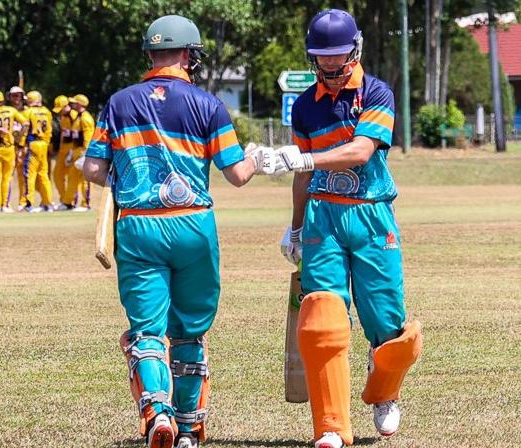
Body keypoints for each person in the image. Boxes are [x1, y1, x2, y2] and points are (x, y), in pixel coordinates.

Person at [83, 15, 273, 448]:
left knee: (148, 331)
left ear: (151, 55)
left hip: (139, 227)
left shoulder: (118, 103)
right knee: (188, 331)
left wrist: (125, 172)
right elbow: (238, 174)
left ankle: (156, 413)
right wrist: (259, 158)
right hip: (192, 225)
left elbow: (93, 169)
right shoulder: (208, 105)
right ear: (190, 55)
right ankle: (188, 427)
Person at [273, 10, 422, 448]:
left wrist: (306, 160)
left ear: (355, 50)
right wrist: (296, 228)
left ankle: (385, 392)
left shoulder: (377, 92)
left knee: (386, 316)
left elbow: (359, 151)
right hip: (324, 218)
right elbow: (302, 177)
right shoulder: (303, 106)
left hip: (372, 213)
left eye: (340, 56)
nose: (333, 67)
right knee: (322, 313)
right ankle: (332, 426)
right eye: (324, 58)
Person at [21, 91, 53, 211]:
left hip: (33, 143)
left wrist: (20, 144)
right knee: (43, 175)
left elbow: (25, 129)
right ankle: (48, 203)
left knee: (30, 174)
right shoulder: (47, 112)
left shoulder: (28, 112)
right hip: (44, 144)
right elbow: (49, 130)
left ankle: (29, 204)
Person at [62, 94, 94, 211]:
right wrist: (71, 152)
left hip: (82, 150)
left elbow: (88, 136)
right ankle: (67, 202)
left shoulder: (86, 118)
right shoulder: (77, 117)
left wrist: (86, 152)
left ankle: (85, 204)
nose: (72, 104)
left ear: (80, 104)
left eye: (75, 103)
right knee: (72, 177)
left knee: (85, 178)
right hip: (75, 150)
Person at [8, 86, 29, 211]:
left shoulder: (27, 111)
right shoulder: (7, 111)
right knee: (8, 175)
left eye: (18, 95)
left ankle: (23, 202)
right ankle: (6, 203)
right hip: (9, 146)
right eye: (14, 95)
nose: (16, 98)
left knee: (23, 176)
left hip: (23, 145)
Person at [51, 95, 74, 209]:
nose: (59, 112)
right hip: (63, 149)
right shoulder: (63, 117)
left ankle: (70, 202)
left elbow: (78, 136)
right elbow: (63, 135)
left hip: (73, 149)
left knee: (72, 177)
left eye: (61, 109)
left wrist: (72, 152)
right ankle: (64, 200)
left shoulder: (74, 116)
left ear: (66, 106)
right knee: (57, 175)